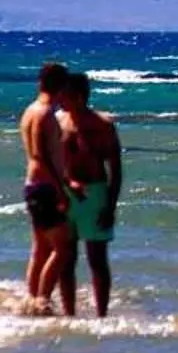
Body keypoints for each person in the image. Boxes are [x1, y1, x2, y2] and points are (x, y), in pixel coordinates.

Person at [54, 70, 123, 317]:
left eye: (66, 95)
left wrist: (110, 206)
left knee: (97, 259)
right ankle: (68, 313)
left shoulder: (103, 124)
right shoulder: (58, 121)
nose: (60, 99)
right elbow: (52, 162)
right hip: (66, 193)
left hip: (95, 193)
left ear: (80, 96)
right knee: (66, 258)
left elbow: (115, 169)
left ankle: (102, 315)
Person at [17, 61, 77, 316]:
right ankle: (42, 301)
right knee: (63, 248)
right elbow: (42, 156)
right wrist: (61, 189)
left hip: (34, 185)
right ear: (61, 87)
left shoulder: (30, 111)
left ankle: (31, 300)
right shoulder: (43, 114)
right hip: (44, 187)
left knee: (41, 247)